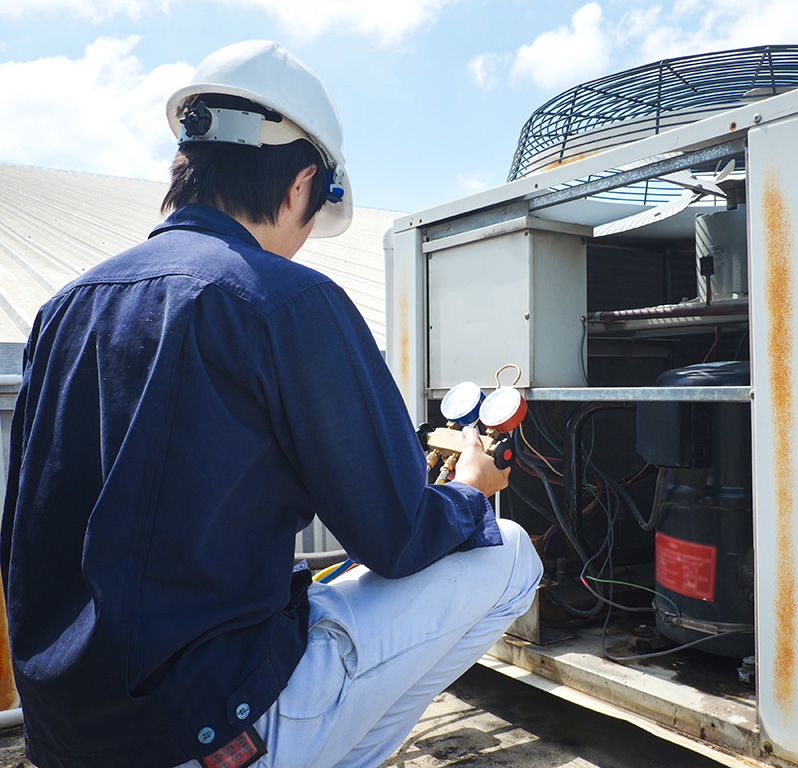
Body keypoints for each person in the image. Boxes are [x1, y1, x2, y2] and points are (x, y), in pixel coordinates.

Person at [0, 40, 541, 768]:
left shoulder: (63, 311)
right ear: (301, 185)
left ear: (186, 168)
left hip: (67, 736)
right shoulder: (288, 300)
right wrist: (471, 493)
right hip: (205, 728)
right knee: (509, 558)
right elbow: (397, 536)